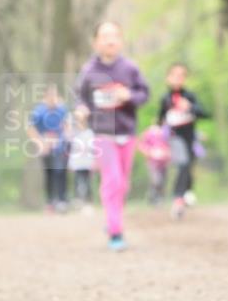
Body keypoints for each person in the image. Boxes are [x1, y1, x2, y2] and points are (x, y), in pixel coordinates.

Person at [76, 21, 149, 251]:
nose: (110, 40)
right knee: (113, 180)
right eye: (105, 36)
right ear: (96, 42)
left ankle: (111, 218)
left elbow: (144, 94)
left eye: (114, 36)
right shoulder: (89, 71)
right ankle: (116, 232)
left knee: (122, 184)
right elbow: (80, 98)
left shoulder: (130, 68)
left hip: (127, 132)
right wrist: (82, 109)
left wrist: (128, 95)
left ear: (121, 40)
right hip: (103, 133)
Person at [158, 64, 208, 219]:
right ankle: (178, 199)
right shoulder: (165, 99)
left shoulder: (190, 96)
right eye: (174, 75)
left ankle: (185, 194)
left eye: (181, 75)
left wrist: (190, 107)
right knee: (183, 163)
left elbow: (204, 113)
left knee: (188, 167)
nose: (178, 79)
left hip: (190, 138)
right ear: (168, 78)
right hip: (174, 137)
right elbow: (160, 120)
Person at [27, 84, 70, 212]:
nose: (53, 98)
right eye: (50, 95)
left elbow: (67, 126)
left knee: (61, 171)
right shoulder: (39, 111)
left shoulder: (62, 109)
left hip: (60, 146)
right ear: (45, 97)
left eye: (55, 95)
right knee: (49, 173)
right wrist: (40, 143)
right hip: (45, 146)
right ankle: (50, 201)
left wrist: (65, 139)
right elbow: (30, 128)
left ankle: (62, 200)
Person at [67, 105, 96, 210]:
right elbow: (71, 150)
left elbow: (93, 149)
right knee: (78, 182)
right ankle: (79, 202)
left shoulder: (90, 133)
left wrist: (95, 162)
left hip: (88, 162)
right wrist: (70, 163)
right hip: (77, 163)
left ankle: (89, 203)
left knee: (88, 183)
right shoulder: (73, 134)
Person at [137, 123, 171, 205]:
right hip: (152, 162)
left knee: (163, 181)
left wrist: (167, 153)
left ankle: (158, 197)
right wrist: (150, 152)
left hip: (164, 162)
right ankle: (153, 196)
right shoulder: (149, 133)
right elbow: (141, 145)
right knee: (156, 180)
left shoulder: (166, 133)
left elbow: (170, 146)